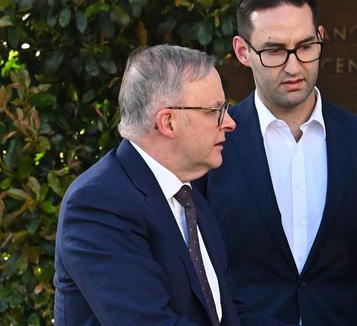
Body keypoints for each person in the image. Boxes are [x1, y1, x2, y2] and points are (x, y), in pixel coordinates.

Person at [194, 0, 357, 326]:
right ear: (242, 52)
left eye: (306, 46)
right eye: (275, 50)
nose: (294, 66)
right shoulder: (211, 144)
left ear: (321, 39)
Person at [54, 45, 241, 325]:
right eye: (215, 110)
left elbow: (231, 311)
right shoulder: (97, 204)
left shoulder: (190, 198)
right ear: (168, 122)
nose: (230, 122)